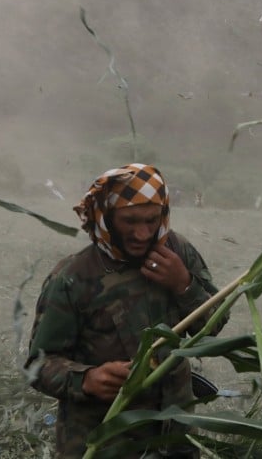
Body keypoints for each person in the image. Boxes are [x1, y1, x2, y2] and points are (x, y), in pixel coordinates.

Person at [26, 163, 228, 458]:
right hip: (101, 441)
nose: (143, 233)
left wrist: (185, 285)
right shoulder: (73, 277)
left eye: (151, 219)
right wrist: (88, 379)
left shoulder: (177, 252)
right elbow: (38, 365)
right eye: (130, 221)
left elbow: (216, 322)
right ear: (106, 218)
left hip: (174, 437)